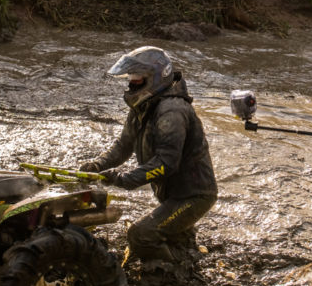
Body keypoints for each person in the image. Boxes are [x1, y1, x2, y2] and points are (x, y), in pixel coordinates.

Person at [78, 46, 218, 271]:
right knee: (172, 236)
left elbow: (166, 163)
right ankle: (184, 250)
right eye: (131, 78)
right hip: (174, 194)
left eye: (137, 78)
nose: (132, 83)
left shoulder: (171, 111)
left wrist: (124, 179)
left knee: (140, 234)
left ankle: (174, 275)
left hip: (193, 195)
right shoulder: (142, 107)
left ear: (155, 78)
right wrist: (98, 165)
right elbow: (123, 146)